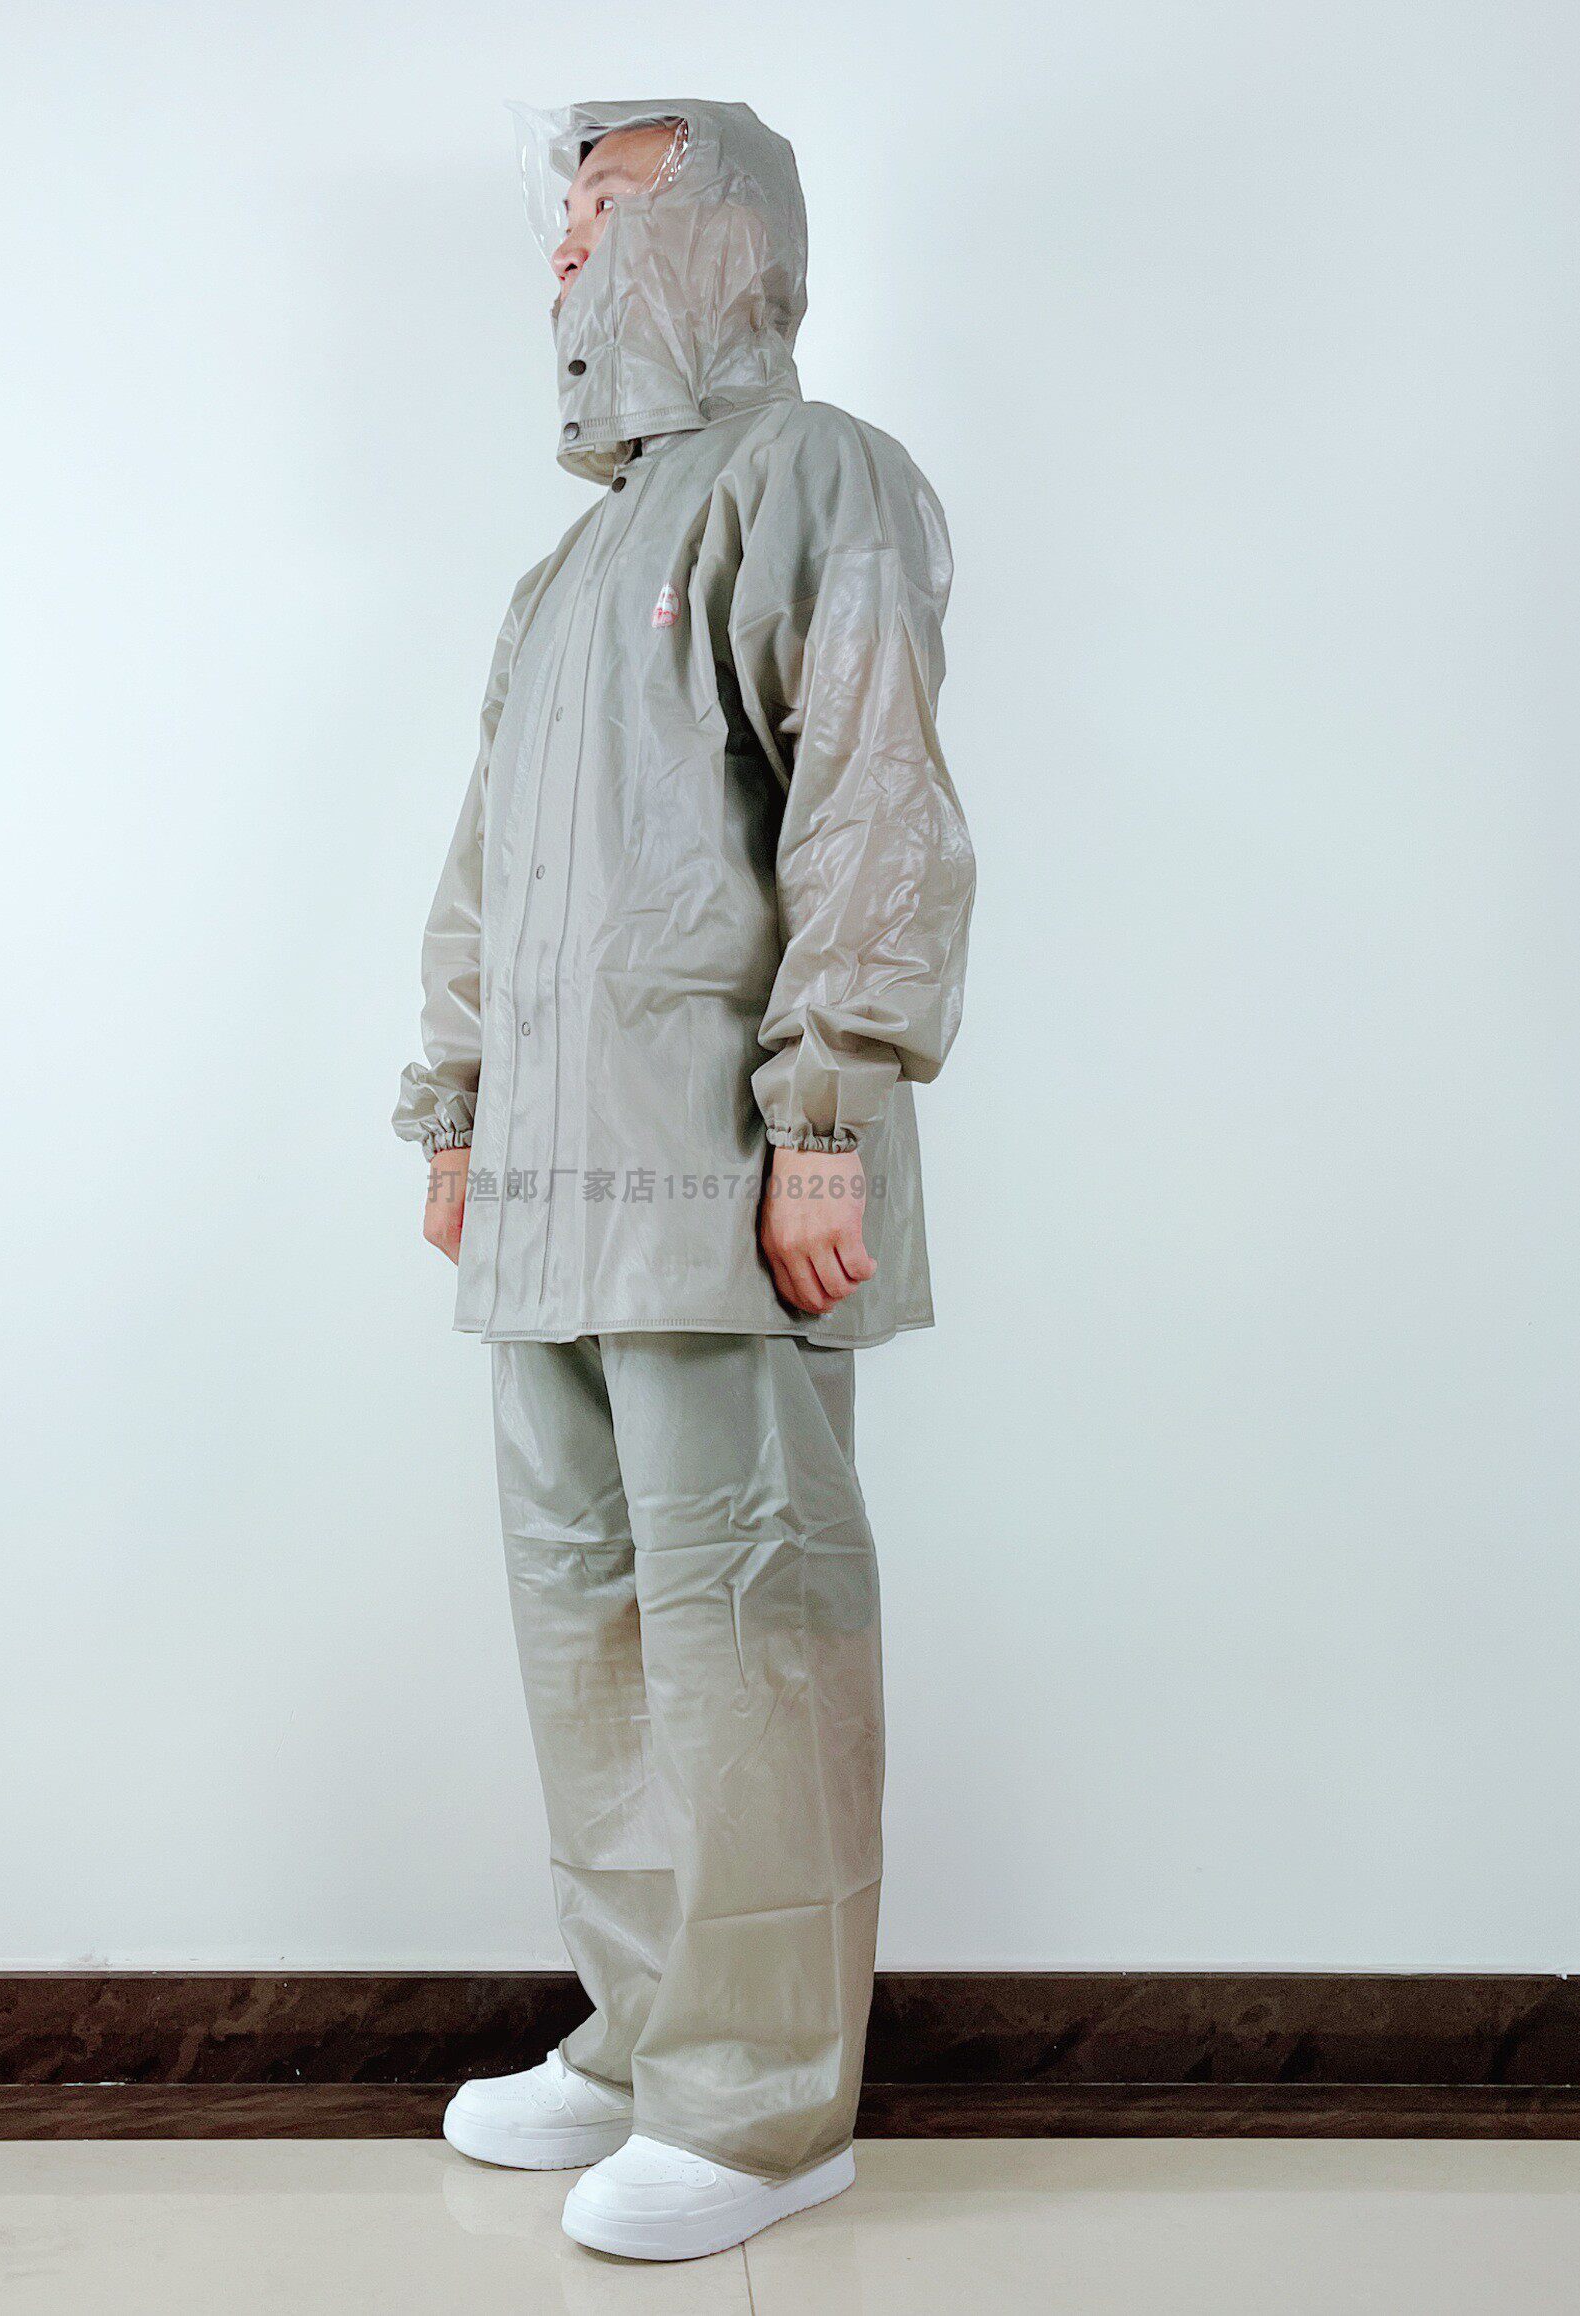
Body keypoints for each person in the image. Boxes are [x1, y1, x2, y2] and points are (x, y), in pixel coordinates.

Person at [393, 97, 975, 2264]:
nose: (566, 249)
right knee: (592, 1627)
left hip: (724, 1175)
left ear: (723, 235)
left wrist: (825, 1116)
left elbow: (873, 808)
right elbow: (487, 864)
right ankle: (650, 2034)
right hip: (553, 1190)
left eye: (610, 205)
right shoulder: (566, 571)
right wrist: (454, 1104)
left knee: (745, 1632)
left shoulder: (820, 479)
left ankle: (761, 2101)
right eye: (560, 214)